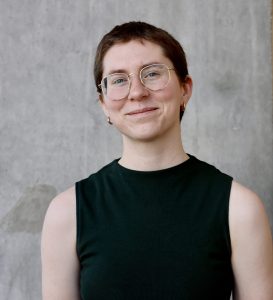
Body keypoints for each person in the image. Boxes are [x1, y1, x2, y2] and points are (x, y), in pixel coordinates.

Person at [41, 21, 273, 300]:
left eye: (152, 74)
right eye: (118, 79)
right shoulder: (68, 212)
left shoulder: (239, 208)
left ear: (185, 89)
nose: (137, 92)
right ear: (104, 104)